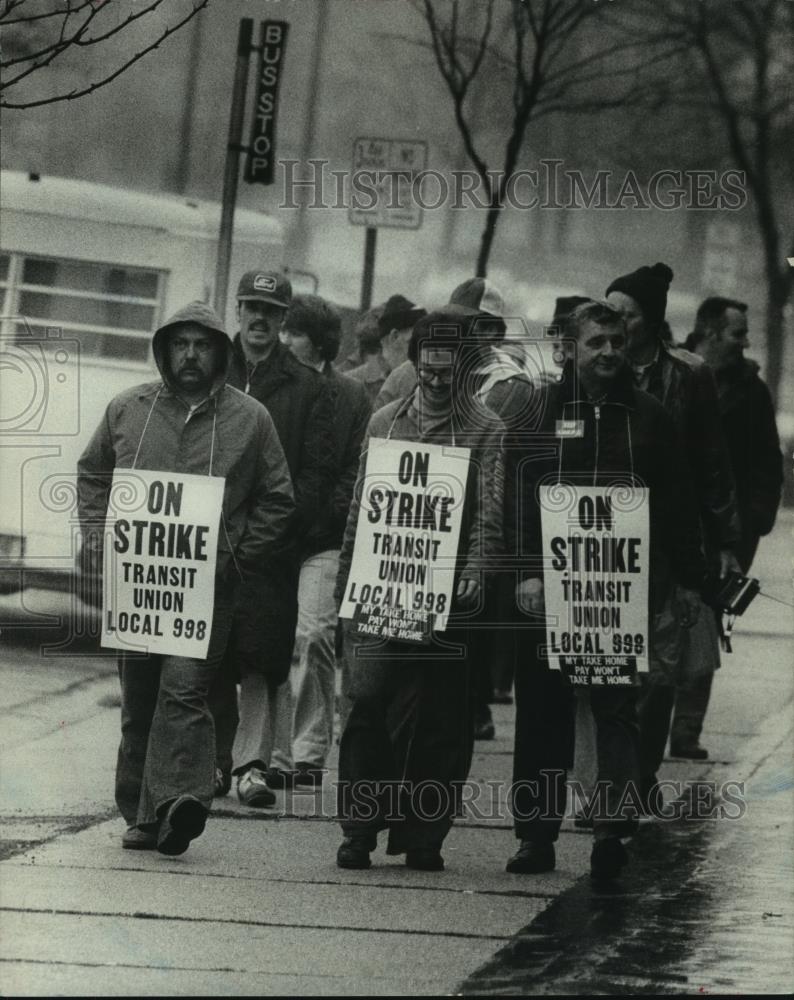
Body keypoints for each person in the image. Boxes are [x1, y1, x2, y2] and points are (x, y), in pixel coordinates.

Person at [76, 302, 294, 854]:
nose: (191, 354)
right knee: (140, 699)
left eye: (202, 344)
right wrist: (99, 536)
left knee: (186, 689)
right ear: (165, 349)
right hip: (139, 586)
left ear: (221, 350)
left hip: (207, 588)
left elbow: (277, 497)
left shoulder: (251, 418)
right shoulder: (128, 408)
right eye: (180, 344)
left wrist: (236, 552)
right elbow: (92, 473)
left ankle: (182, 801)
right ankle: (142, 813)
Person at [505, 300, 704, 881]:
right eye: (597, 342)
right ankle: (535, 837)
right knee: (543, 710)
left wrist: (688, 583)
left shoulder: (651, 417)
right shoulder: (537, 413)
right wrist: (527, 572)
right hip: (547, 588)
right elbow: (517, 494)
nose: (610, 352)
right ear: (569, 349)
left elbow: (677, 505)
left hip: (618, 592)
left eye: (617, 341)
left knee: (617, 708)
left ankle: (611, 831)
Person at [335, 306, 505, 871]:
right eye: (427, 372)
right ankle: (360, 826)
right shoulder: (385, 421)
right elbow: (361, 507)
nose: (435, 384)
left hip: (449, 593)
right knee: (368, 701)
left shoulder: (486, 429)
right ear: (415, 365)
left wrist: (476, 573)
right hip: (383, 589)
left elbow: (489, 516)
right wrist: (345, 589)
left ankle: (424, 835)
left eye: (446, 375)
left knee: (439, 718)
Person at [605, 263, 741, 778]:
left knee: (658, 668)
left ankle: (637, 777)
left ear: (651, 319)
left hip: (667, 540)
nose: (615, 323)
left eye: (626, 314)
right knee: (609, 663)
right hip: (604, 538)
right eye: (609, 311)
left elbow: (712, 462)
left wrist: (724, 542)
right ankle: (610, 779)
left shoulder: (688, 375)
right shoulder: (594, 364)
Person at [208, 270, 334, 807]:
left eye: (271, 310)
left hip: (271, 548)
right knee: (207, 652)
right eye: (250, 307)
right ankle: (214, 763)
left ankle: (252, 767)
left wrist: (270, 534)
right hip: (209, 541)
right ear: (237, 311)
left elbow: (314, 474)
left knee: (260, 658)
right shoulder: (210, 371)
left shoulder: (308, 387)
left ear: (284, 320)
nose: (258, 318)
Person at [671, 297, 783, 754]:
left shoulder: (751, 391)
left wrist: (750, 527)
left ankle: (686, 730)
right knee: (665, 621)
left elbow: (767, 465)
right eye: (738, 333)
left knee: (710, 620)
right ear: (711, 333)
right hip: (677, 521)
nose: (746, 341)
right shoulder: (673, 371)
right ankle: (651, 725)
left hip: (728, 533)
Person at [267, 294, 371, 787]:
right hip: (274, 532)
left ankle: (308, 751)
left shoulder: (350, 395)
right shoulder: (274, 387)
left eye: (295, 332)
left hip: (323, 538)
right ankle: (270, 751)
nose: (284, 340)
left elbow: (355, 467)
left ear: (321, 340)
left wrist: (323, 517)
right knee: (268, 641)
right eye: (282, 330)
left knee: (312, 635)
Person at [347, 294, 426, 404]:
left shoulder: (426, 381)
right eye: (415, 343)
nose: (422, 352)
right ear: (394, 336)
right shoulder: (352, 384)